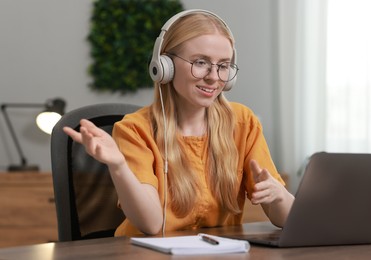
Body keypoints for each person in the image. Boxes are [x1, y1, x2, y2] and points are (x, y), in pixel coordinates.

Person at [63, 9, 295, 237]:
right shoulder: (135, 129)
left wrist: (279, 196)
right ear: (164, 67)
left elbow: (284, 219)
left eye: (223, 66)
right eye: (201, 62)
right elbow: (152, 225)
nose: (214, 77)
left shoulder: (243, 123)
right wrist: (118, 165)